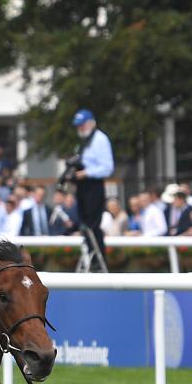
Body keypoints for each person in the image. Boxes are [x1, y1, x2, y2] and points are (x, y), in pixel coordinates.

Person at [71, 108, 114, 267]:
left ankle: (97, 260)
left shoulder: (100, 140)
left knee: (93, 225)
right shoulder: (84, 142)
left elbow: (108, 168)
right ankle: (90, 256)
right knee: (84, 225)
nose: (79, 129)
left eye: (82, 125)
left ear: (90, 123)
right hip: (83, 187)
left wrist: (86, 173)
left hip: (94, 186)